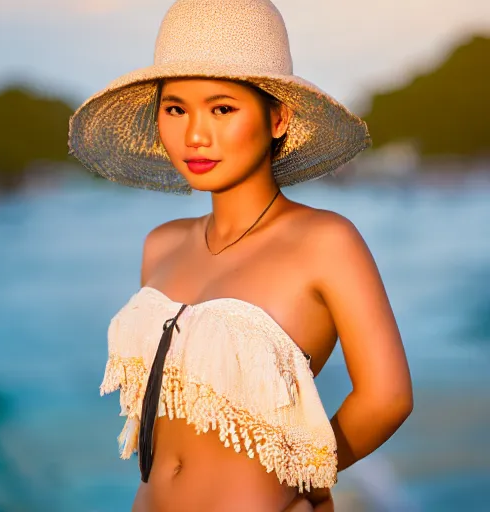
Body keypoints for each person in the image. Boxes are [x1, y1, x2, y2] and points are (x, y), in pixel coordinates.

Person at [68, 1, 414, 511]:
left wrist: (309, 475)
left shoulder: (325, 241)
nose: (195, 135)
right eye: (175, 109)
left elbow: (387, 398)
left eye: (222, 108)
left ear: (278, 118)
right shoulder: (160, 244)